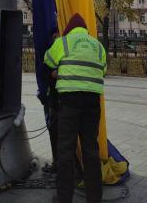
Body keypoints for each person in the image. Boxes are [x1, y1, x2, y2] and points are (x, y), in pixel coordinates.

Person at [44, 13, 106, 203]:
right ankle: (94, 198)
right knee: (90, 151)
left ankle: (64, 198)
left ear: (69, 29)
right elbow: (102, 69)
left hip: (70, 102)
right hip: (92, 103)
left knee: (65, 150)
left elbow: (48, 61)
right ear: (85, 30)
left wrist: (59, 70)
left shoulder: (63, 42)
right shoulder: (97, 45)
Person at [39, 28, 60, 173]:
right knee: (54, 132)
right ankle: (57, 162)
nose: (57, 40)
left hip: (63, 101)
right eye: (55, 37)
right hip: (53, 99)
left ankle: (63, 164)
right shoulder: (50, 53)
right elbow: (45, 72)